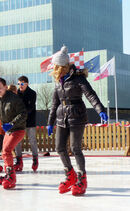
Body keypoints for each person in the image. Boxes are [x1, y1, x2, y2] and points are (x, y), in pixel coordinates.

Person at [47, 46, 108, 195]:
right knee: (59, 148)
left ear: (63, 66)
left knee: (75, 148)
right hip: (62, 117)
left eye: (56, 66)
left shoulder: (78, 78)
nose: (54, 69)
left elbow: (90, 95)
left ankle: (82, 178)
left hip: (77, 115)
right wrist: (50, 122)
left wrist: (100, 110)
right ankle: (70, 175)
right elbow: (54, 103)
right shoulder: (57, 82)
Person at [0, 77, 27, 189]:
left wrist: (12, 123)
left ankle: (11, 178)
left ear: (5, 87)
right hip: (8, 130)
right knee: (4, 152)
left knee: (7, 150)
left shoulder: (14, 98)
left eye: (0, 88)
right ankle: (8, 174)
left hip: (18, 129)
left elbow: (23, 114)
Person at [14, 76, 38, 172]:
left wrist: (22, 114)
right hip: (19, 122)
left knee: (32, 140)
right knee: (17, 141)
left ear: (27, 84)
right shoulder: (16, 93)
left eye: (22, 83)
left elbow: (30, 107)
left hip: (30, 121)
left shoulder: (32, 93)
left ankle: (35, 159)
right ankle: (19, 160)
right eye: (19, 84)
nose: (20, 85)